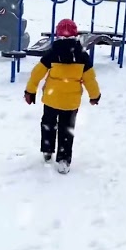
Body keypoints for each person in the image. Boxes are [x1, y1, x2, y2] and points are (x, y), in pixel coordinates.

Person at [23, 19, 101, 173]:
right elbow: (90, 79)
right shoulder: (82, 56)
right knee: (66, 129)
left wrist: (30, 91)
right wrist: (95, 96)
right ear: (75, 35)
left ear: (58, 34)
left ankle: (47, 150)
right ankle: (64, 160)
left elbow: (36, 74)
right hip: (70, 102)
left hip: (52, 99)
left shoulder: (52, 53)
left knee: (48, 124)